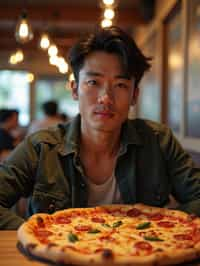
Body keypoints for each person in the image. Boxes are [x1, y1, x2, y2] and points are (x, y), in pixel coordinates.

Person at [0, 26, 200, 230]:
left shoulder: (159, 140)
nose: (105, 98)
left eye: (120, 85)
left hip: (139, 255)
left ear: (134, 96)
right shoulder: (41, 147)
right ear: (75, 90)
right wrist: (34, 235)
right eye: (93, 82)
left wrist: (168, 230)